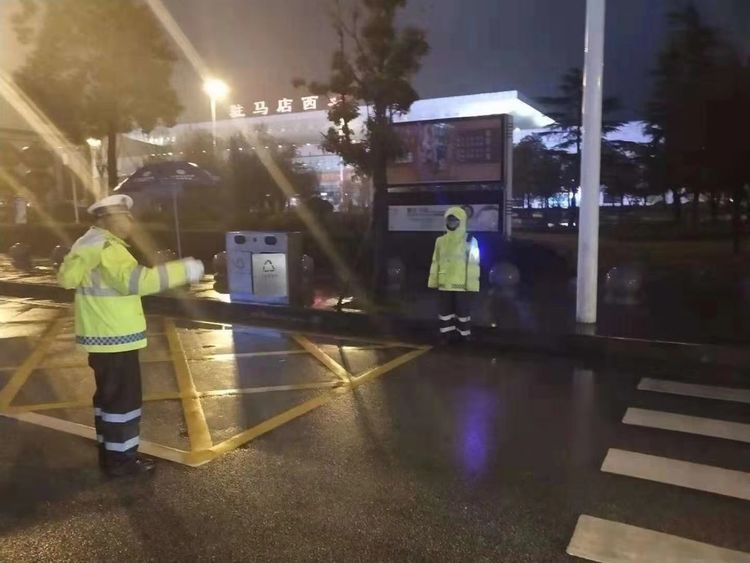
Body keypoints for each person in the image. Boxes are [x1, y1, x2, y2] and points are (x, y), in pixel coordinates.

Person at [58, 194, 204, 477]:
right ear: (109, 218)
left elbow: (68, 278)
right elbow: (137, 281)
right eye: (126, 216)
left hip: (103, 337)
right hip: (115, 337)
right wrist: (184, 270)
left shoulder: (89, 244)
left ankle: (111, 453)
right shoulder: (107, 248)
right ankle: (122, 462)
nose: (131, 223)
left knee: (109, 400)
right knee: (123, 403)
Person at [427, 206, 480, 343]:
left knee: (463, 311)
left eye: (455, 220)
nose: (452, 223)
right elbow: (435, 261)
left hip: (461, 285)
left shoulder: (470, 240)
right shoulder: (440, 241)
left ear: (461, 221)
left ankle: (464, 334)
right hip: (444, 284)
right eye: (449, 220)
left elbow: (473, 264)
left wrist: (472, 285)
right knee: (445, 312)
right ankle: (445, 334)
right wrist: (433, 281)